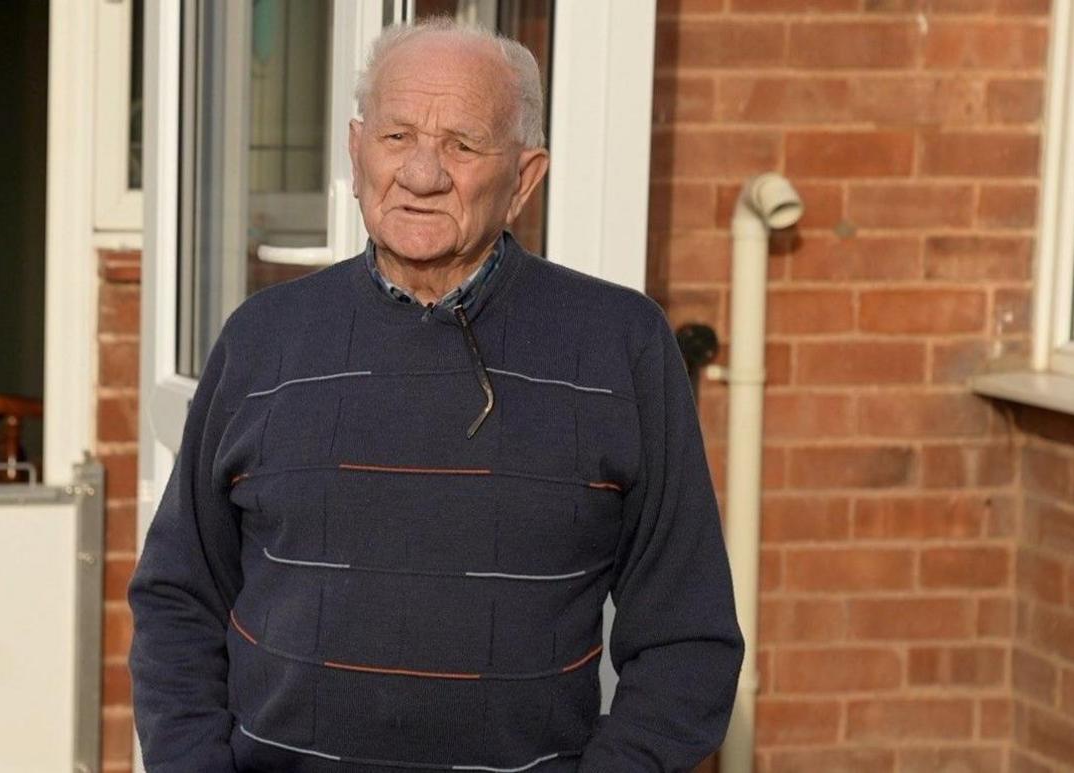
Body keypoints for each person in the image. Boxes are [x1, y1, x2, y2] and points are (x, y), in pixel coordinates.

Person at [128, 19, 742, 773]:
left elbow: (688, 639)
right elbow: (176, 597)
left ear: (523, 178)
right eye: (397, 137)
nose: (422, 173)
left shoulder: (620, 345)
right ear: (357, 153)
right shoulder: (264, 339)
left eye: (462, 143)